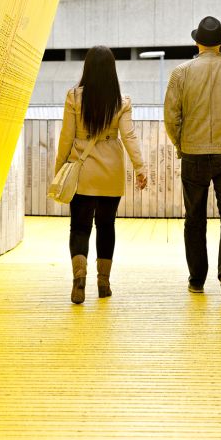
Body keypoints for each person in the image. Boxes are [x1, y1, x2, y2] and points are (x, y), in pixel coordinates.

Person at [164, 16, 221, 301]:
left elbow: (171, 117)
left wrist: (181, 145)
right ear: (220, 43)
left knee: (194, 218)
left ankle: (196, 280)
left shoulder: (181, 73)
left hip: (193, 154)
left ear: (197, 42)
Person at [55, 45, 148, 304]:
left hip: (82, 171)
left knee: (80, 227)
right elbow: (129, 136)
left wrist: (60, 167)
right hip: (111, 173)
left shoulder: (74, 97)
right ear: (111, 70)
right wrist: (140, 168)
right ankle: (104, 282)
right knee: (106, 227)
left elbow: (66, 137)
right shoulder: (121, 101)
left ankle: (79, 275)